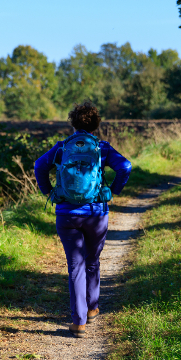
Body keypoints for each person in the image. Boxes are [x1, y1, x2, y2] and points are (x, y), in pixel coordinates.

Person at [34, 100, 132, 338]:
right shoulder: (102, 147)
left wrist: (49, 191)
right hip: (96, 213)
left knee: (75, 266)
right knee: (92, 260)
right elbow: (126, 166)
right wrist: (114, 190)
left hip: (66, 214)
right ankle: (92, 308)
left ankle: (78, 322)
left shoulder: (61, 147)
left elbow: (39, 166)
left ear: (73, 123)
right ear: (96, 125)